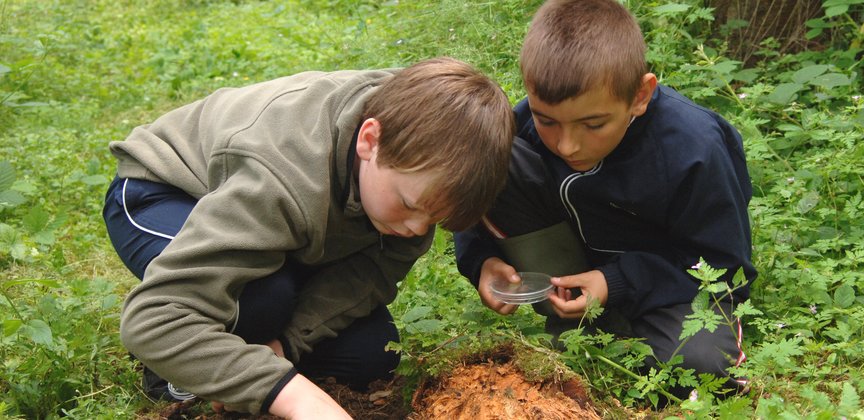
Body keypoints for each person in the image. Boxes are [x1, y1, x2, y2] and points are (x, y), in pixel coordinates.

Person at [103, 57, 514, 418]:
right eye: (408, 206)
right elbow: (152, 319)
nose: (416, 229)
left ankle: (228, 350)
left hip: (279, 224)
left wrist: (285, 346)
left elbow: (367, 275)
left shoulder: (418, 163)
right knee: (261, 301)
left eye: (436, 220)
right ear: (370, 140)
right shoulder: (283, 176)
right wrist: (296, 398)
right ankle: (173, 374)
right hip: (164, 190)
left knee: (371, 353)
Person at [453, 0, 756, 399]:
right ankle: (574, 322)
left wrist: (616, 283)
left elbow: (726, 270)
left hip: (667, 285)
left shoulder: (694, 150)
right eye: (548, 120)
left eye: (593, 124)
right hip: (568, 271)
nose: (567, 144)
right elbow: (469, 202)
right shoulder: (522, 132)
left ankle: (614, 330)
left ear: (640, 95)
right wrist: (482, 262)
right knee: (496, 153)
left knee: (701, 367)